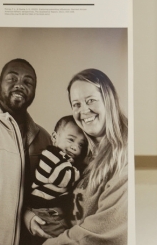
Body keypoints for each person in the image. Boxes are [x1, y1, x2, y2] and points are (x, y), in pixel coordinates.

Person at [26, 69, 129, 245]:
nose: (84, 111)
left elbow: (102, 230)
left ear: (108, 100)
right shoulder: (83, 155)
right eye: (76, 104)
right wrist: (28, 216)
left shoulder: (122, 159)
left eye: (90, 101)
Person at [0, 58, 51, 245]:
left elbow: (38, 196)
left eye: (28, 82)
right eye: (12, 79)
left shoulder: (44, 138)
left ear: (34, 92)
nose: (20, 85)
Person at [24, 116, 88, 238]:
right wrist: (81, 171)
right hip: (44, 210)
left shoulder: (63, 159)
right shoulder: (50, 156)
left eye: (81, 145)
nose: (75, 147)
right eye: (70, 140)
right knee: (57, 236)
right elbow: (65, 178)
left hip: (53, 209)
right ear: (54, 138)